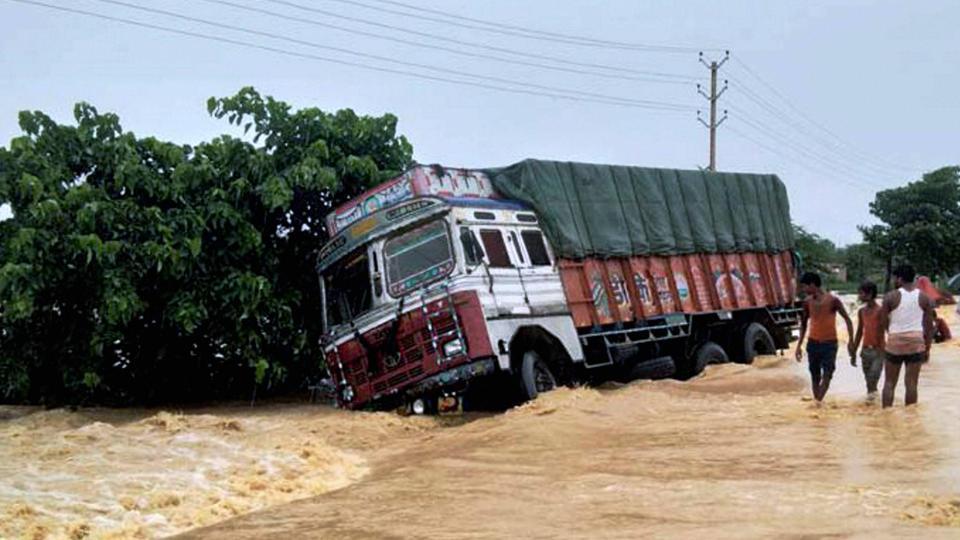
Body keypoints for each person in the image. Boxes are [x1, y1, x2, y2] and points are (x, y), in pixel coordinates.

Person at [881, 264, 936, 408]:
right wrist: (927, 348)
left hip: (895, 342)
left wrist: (891, 335)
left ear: (899, 279)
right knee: (912, 384)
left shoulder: (890, 297)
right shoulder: (924, 298)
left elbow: (882, 323)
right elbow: (929, 327)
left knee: (889, 383)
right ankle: (911, 419)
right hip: (916, 342)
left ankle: (886, 417)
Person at [795, 272, 854, 402]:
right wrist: (799, 346)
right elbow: (803, 325)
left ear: (812, 284)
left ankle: (817, 402)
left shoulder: (833, 301)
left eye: (805, 287)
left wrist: (851, 341)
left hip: (829, 344)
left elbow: (848, 320)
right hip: (813, 343)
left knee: (827, 374)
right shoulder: (807, 302)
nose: (804, 290)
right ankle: (818, 404)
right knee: (815, 376)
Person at [848, 281, 885, 401]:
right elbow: (859, 332)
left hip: (879, 351)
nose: (859, 296)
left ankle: (873, 403)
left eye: (861, 293)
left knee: (872, 377)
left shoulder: (880, 311)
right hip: (865, 351)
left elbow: (886, 329)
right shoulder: (861, 312)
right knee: (869, 382)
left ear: (869, 295)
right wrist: (853, 351)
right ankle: (872, 406)